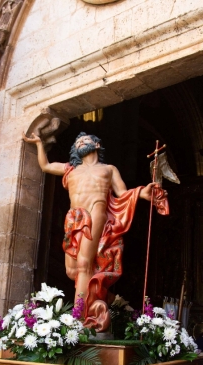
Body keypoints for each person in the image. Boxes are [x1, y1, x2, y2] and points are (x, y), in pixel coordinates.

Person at [23, 131, 169, 330]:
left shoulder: (108, 169)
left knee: (84, 264)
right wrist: (40, 144)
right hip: (74, 217)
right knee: (72, 270)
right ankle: (101, 298)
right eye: (78, 141)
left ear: (97, 145)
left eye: (86, 140)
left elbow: (124, 194)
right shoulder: (70, 169)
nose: (81, 142)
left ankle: (78, 319)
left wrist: (142, 192)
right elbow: (46, 166)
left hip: (96, 210)